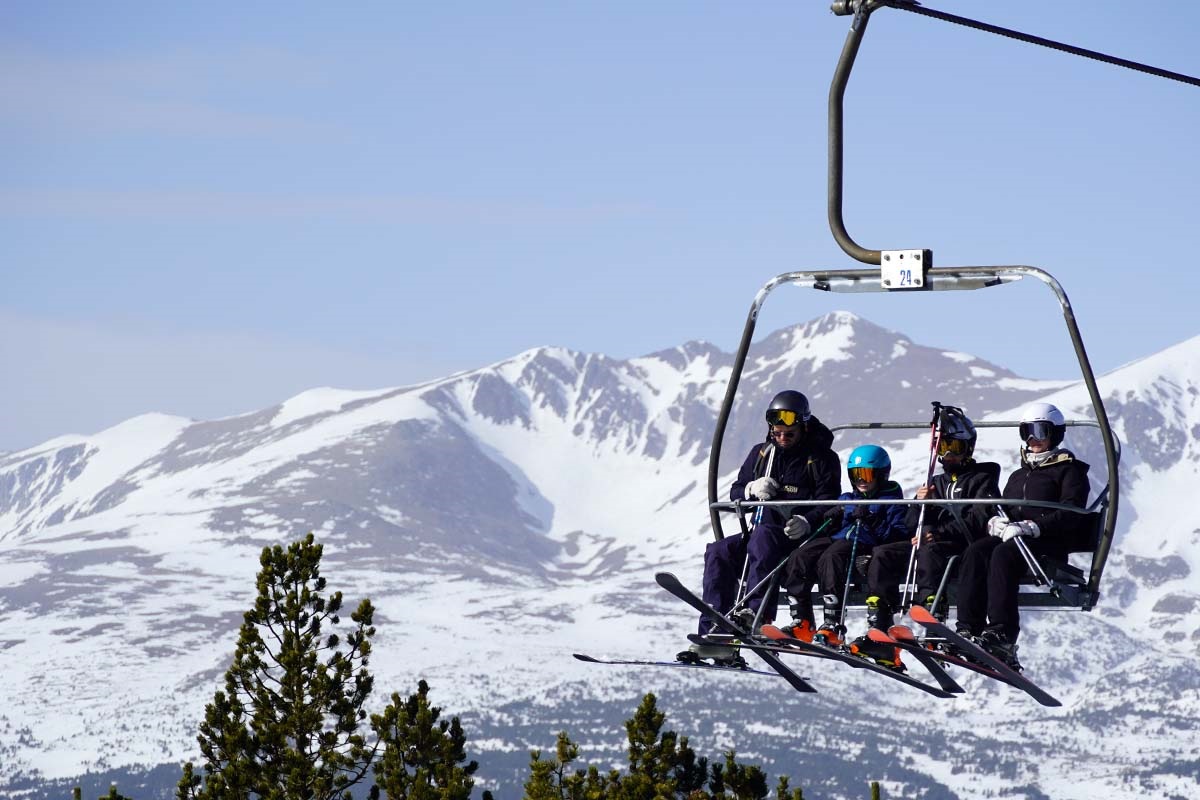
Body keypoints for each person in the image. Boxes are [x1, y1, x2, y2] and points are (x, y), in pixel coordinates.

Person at [677, 390, 841, 664]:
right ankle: (714, 632)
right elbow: (736, 491)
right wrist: (751, 490)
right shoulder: (763, 454)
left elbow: (830, 504)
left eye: (788, 434)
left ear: (803, 426)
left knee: (763, 539)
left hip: (797, 539)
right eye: (777, 433)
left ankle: (756, 614)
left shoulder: (821, 459)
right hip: (762, 533)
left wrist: (806, 521)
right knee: (720, 551)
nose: (782, 438)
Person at [849, 407, 1001, 668]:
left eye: (954, 446)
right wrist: (922, 505)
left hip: (959, 544)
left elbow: (979, 518)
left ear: (968, 448)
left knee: (930, 548)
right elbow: (912, 526)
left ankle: (932, 613)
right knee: (883, 553)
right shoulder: (937, 482)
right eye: (943, 447)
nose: (948, 453)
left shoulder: (982, 480)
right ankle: (880, 625)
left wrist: (937, 532)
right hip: (929, 542)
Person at [954, 402, 1091, 671]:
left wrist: (1032, 527)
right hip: (1017, 538)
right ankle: (968, 627)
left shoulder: (1070, 471)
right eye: (1026, 431)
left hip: (1048, 543)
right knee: (976, 551)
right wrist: (996, 521)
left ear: (1056, 434)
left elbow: (1072, 513)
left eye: (1040, 431)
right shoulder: (1019, 474)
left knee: (1002, 555)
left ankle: (1002, 634)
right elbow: (1005, 507)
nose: (1032, 439)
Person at [778, 444, 908, 653]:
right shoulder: (847, 498)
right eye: (856, 475)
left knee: (832, 556)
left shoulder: (890, 498)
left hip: (866, 540)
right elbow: (835, 520)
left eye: (866, 474)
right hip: (841, 537)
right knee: (800, 555)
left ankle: (833, 623)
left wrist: (872, 521)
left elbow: (899, 532)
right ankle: (801, 620)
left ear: (882, 474)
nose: (861, 480)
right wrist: (831, 517)